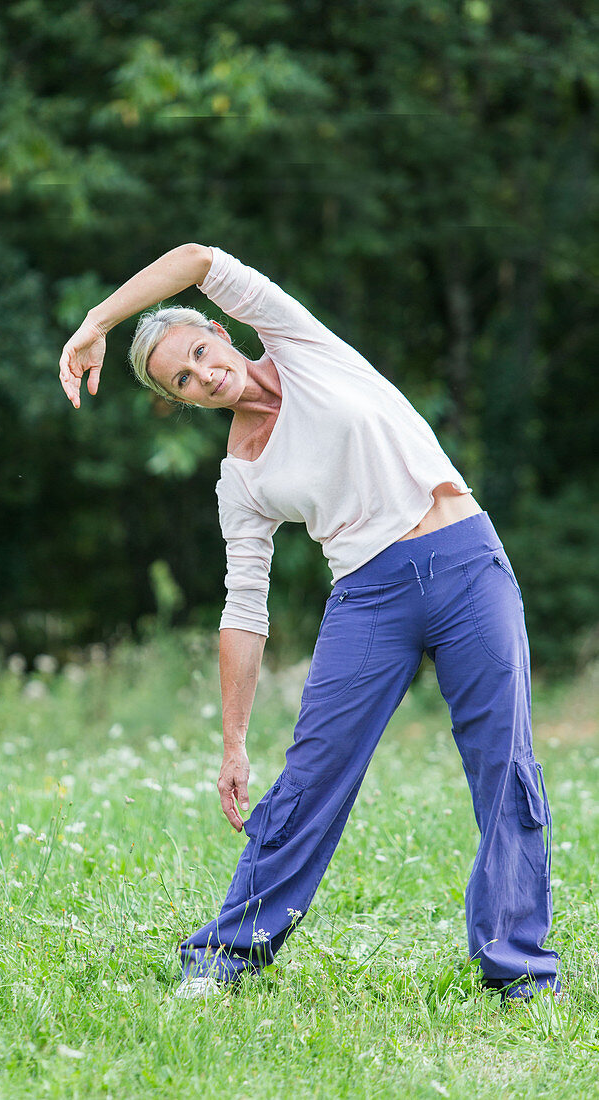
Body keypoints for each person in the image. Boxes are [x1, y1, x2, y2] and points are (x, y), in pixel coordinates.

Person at [59, 242, 560, 1003]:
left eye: (198, 352)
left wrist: (96, 321)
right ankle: (225, 956)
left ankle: (518, 969)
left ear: (223, 333)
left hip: (464, 563)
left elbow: (195, 257)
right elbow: (243, 608)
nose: (202, 374)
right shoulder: (241, 477)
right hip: (368, 597)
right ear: (184, 401)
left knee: (504, 768)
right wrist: (232, 740)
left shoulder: (299, 343)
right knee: (310, 777)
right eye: (182, 381)